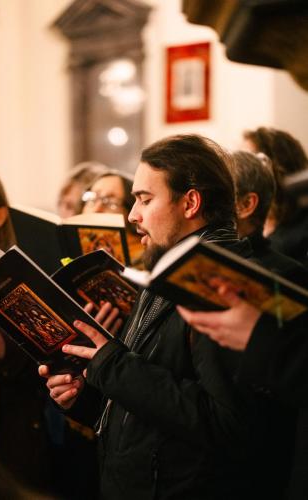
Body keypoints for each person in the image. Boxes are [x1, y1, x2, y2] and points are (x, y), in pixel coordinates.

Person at [40, 134, 295, 500]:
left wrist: (110, 366)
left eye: (145, 199)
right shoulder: (166, 269)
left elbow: (229, 424)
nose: (133, 216)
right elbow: (152, 409)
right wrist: (87, 397)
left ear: (190, 202)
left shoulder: (219, 283)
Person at [0, 167, 53, 493]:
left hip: (13, 444)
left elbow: (54, 354)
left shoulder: (25, 275)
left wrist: (5, 348)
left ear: (1, 215)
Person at [242, 127, 308, 265]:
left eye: (249, 160)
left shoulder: (302, 231)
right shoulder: (242, 223)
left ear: (278, 167)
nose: (241, 169)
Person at [82, 169, 143, 266]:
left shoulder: (145, 258)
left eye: (110, 202)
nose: (97, 209)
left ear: (130, 211)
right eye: (92, 199)